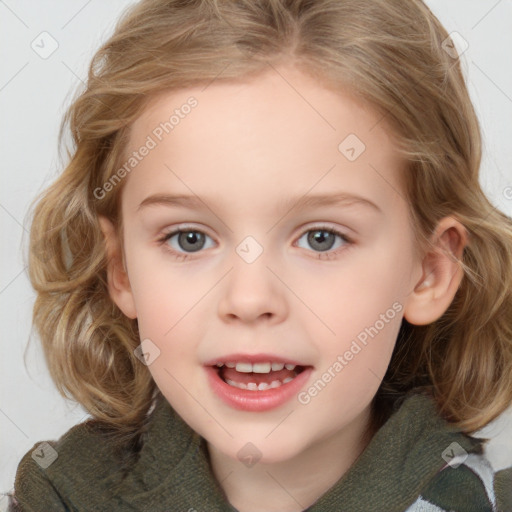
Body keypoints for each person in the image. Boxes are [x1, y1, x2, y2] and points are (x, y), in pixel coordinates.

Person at [9, 0, 512, 510]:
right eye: (189, 238)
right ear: (121, 269)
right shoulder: (64, 494)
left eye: (322, 238)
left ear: (429, 271)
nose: (249, 299)